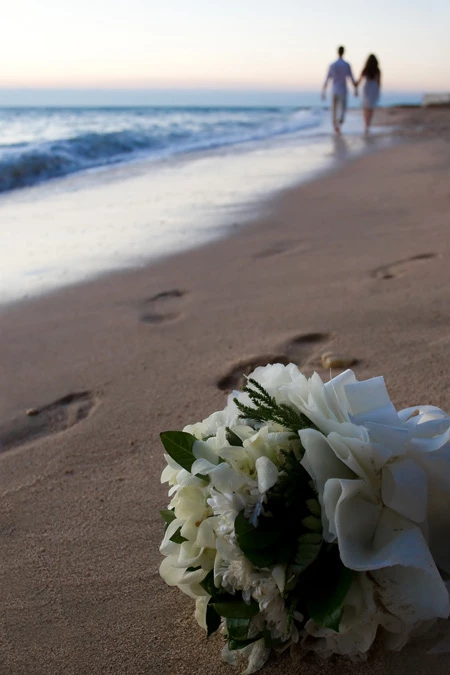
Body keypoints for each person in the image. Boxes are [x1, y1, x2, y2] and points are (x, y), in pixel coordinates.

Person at [322, 46, 358, 134]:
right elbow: (351, 78)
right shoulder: (346, 65)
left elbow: (327, 78)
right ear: (343, 52)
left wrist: (323, 91)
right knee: (342, 108)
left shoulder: (333, 65)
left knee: (334, 108)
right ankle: (339, 124)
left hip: (334, 89)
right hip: (342, 89)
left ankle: (335, 125)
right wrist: (355, 89)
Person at [356, 54, 381, 134]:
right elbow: (379, 82)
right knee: (370, 107)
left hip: (367, 87)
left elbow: (359, 81)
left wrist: (355, 87)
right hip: (374, 88)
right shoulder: (377, 70)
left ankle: (366, 124)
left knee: (366, 107)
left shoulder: (366, 69)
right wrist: (378, 91)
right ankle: (368, 124)